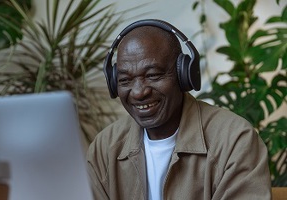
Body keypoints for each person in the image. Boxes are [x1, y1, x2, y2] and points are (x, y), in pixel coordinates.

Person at [86, 19, 271, 200]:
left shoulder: (235, 141)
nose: (138, 92)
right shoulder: (105, 148)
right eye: (125, 80)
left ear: (184, 75)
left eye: (152, 75)